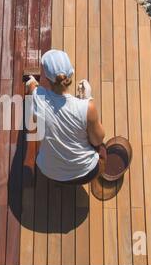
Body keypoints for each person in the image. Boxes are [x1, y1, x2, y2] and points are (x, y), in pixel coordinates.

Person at [25, 49, 106, 185]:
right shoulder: (87, 107)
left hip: (50, 172)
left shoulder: (37, 97)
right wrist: (86, 98)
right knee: (102, 147)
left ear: (47, 78)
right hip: (86, 173)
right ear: (71, 73)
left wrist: (31, 82)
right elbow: (97, 140)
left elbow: (31, 86)